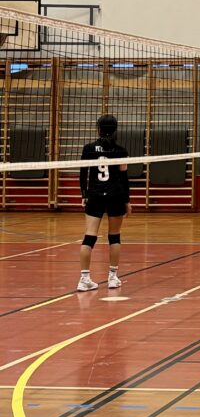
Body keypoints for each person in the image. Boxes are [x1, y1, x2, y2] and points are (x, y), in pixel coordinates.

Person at [78, 115, 131, 292]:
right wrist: (127, 201)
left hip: (95, 195)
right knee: (114, 236)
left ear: (98, 128)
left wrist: (84, 194)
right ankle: (113, 278)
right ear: (115, 130)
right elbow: (124, 179)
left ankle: (84, 279)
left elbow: (83, 173)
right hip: (116, 195)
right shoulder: (121, 150)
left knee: (89, 236)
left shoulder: (89, 149)